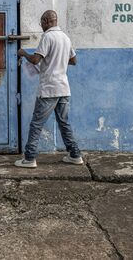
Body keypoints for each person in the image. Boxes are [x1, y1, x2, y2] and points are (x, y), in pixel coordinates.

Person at [15, 10, 83, 168]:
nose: (41, 26)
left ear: (46, 21)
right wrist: (57, 60)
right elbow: (73, 61)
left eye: (41, 23)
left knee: (36, 124)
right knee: (64, 123)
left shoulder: (48, 36)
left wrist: (23, 53)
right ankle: (75, 155)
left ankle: (29, 158)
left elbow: (35, 59)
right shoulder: (65, 37)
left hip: (49, 89)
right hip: (64, 88)